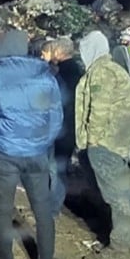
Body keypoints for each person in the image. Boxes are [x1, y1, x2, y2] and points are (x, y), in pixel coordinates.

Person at [0, 30, 62, 259]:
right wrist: (44, 142)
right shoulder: (46, 76)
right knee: (42, 208)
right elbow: (56, 117)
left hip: (3, 153)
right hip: (37, 152)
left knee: (3, 209)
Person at [76, 30, 130, 259]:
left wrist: (93, 141)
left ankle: (120, 249)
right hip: (114, 143)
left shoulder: (101, 72)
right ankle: (117, 238)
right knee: (116, 194)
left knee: (117, 196)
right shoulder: (111, 70)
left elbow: (99, 111)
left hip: (105, 145)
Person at [40, 38, 85, 217]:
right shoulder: (77, 71)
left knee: (56, 169)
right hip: (67, 127)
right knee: (56, 167)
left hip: (61, 128)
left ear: (59, 52)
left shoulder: (63, 73)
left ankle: (52, 209)